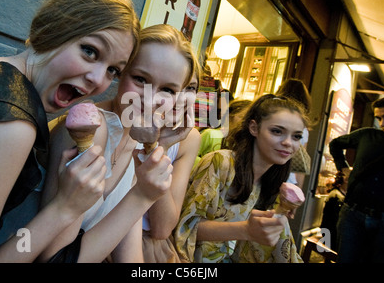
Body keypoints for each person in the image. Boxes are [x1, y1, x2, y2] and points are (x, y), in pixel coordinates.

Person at [0, 0, 140, 262]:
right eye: (89, 51)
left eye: (112, 69)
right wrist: (65, 207)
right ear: (50, 29)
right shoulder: (11, 121)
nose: (99, 80)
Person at [39, 24, 199, 262]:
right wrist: (142, 195)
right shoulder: (93, 128)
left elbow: (130, 251)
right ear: (121, 72)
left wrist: (157, 149)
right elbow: (54, 258)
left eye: (167, 90)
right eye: (140, 79)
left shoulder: (136, 139)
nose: (151, 99)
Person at [174, 94, 310, 263]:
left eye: (296, 136)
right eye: (277, 131)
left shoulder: (271, 183)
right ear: (254, 128)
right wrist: (245, 230)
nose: (288, 142)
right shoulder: (220, 162)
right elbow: (184, 227)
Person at [329, 95, 384, 263]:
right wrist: (343, 168)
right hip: (353, 214)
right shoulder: (367, 136)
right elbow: (335, 144)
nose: (383, 123)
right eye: (379, 118)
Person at [142, 67, 201, 263]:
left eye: (190, 88)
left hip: (149, 243)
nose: (181, 97)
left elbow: (162, 228)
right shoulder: (125, 123)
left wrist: (161, 148)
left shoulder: (188, 139)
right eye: (170, 88)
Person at [276, 78, 312, 188]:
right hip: (288, 180)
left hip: (273, 175)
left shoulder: (273, 115)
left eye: (296, 136)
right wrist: (298, 188)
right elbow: (301, 159)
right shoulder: (304, 129)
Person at [196, 99, 251, 166]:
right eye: (242, 117)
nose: (244, 121)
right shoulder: (211, 134)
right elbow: (190, 155)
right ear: (230, 116)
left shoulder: (245, 143)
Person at [320, 172, 346, 251]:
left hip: (334, 232)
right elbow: (333, 221)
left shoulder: (344, 195)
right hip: (329, 234)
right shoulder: (335, 196)